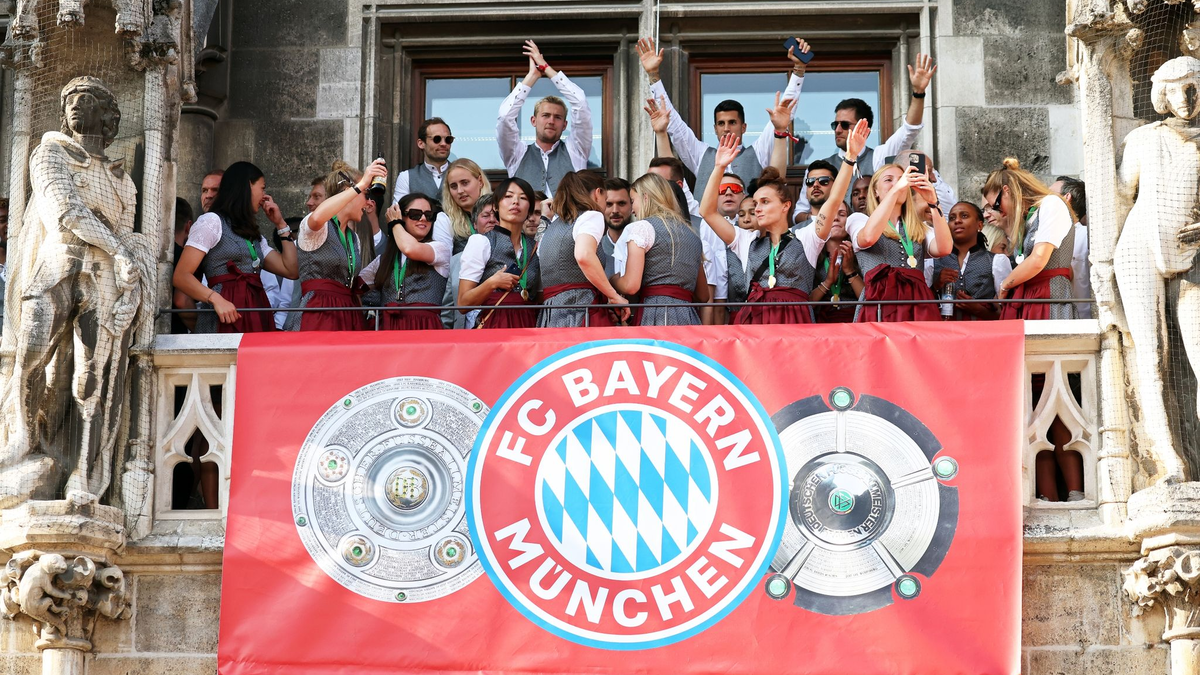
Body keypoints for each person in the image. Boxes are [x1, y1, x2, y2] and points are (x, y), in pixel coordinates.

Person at [701, 120, 867, 324]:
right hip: (755, 324)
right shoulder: (746, 241)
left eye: (765, 202)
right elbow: (707, 211)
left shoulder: (806, 237)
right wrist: (719, 167)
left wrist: (850, 158)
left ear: (785, 206)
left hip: (795, 324)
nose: (758, 208)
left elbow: (833, 201)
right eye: (755, 203)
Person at [637, 37, 807, 200]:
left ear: (744, 127)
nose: (726, 128)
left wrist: (798, 70)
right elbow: (672, 122)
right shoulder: (701, 154)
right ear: (715, 129)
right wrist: (653, 76)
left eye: (732, 122)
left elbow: (785, 112)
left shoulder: (758, 152)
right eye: (721, 123)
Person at [792, 53, 937, 217]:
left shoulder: (878, 157)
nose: (838, 129)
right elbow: (799, 214)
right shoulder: (819, 169)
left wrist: (918, 93)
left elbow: (909, 130)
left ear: (863, 126)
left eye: (845, 125)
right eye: (835, 124)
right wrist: (825, 220)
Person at [174, 162, 298, 333]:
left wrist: (280, 224)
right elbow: (181, 276)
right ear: (248, 186)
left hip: (255, 314)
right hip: (224, 316)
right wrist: (215, 299)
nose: (264, 195)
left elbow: (291, 269)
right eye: (262, 188)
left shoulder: (254, 235)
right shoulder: (212, 221)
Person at [287, 160, 388, 331]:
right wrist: (362, 183)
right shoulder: (318, 226)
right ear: (349, 192)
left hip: (348, 313)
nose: (367, 203)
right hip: (319, 312)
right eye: (365, 193)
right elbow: (318, 217)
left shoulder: (353, 237)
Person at [849, 162, 952, 322]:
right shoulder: (859, 219)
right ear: (875, 191)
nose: (896, 183)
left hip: (917, 303)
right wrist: (897, 189)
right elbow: (868, 237)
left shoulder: (920, 227)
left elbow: (944, 248)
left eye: (901, 179)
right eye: (888, 180)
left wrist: (933, 202)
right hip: (879, 303)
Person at [497, 40, 592, 197]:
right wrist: (531, 77)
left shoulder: (576, 150)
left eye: (557, 117)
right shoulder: (517, 153)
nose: (551, 121)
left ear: (564, 124)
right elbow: (505, 117)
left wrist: (547, 69)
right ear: (533, 121)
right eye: (545, 115)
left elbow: (580, 103)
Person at [985, 158, 1077, 320]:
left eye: (997, 206)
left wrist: (1006, 284)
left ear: (1007, 190)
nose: (999, 212)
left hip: (1049, 295)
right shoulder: (1029, 218)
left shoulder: (1051, 203)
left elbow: (1038, 259)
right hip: (1031, 296)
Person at [611, 173, 708, 326]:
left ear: (646, 198)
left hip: (655, 314)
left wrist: (613, 280)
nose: (632, 209)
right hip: (688, 318)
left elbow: (631, 285)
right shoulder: (692, 235)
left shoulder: (642, 228)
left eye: (633, 201)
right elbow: (703, 296)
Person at [536, 171, 630, 327]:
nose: (605, 209)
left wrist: (545, 218)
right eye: (606, 201)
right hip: (581, 310)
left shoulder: (552, 227)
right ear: (598, 193)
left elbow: (539, 253)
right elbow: (584, 255)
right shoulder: (591, 216)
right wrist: (614, 296)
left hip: (551, 314)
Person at [458, 177, 542, 329]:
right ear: (496, 206)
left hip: (528, 325)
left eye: (522, 198)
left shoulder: (536, 247)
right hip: (494, 325)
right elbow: (463, 304)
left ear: (529, 210)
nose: (515, 202)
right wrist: (492, 283)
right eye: (508, 196)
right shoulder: (481, 242)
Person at [359, 193, 450, 330]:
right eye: (415, 214)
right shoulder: (384, 259)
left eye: (429, 215)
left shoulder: (439, 249)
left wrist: (395, 224)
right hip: (389, 328)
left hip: (425, 327)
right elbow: (356, 288)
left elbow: (410, 249)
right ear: (402, 217)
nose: (423, 218)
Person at [931, 202, 1012, 321]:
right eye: (952, 218)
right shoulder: (934, 260)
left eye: (964, 216)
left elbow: (1008, 311)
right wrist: (936, 286)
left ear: (979, 225)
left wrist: (978, 309)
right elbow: (921, 303)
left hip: (982, 335)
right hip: (942, 334)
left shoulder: (996, 261)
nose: (957, 221)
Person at [809, 202, 865, 323]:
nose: (835, 218)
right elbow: (806, 303)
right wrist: (827, 282)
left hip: (854, 325)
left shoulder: (862, 254)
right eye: (831, 214)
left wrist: (850, 272)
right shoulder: (811, 255)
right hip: (819, 327)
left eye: (842, 214)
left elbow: (869, 300)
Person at [1050, 175, 1091, 319]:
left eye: (1050, 195)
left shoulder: (1088, 237)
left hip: (1084, 318)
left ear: (1067, 198)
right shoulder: (1047, 236)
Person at [393, 117, 454, 205]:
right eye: (437, 139)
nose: (443, 144)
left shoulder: (462, 174)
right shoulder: (406, 177)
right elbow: (398, 214)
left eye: (448, 139)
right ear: (421, 143)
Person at [439, 158, 492, 254]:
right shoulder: (446, 220)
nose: (460, 191)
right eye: (454, 186)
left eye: (465, 183)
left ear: (480, 181)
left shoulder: (500, 212)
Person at [170, 197, 196, 334]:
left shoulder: (144, 252)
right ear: (188, 227)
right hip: (174, 334)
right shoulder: (186, 259)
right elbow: (182, 301)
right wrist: (201, 330)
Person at [793, 159, 837, 229]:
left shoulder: (848, 227)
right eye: (810, 182)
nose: (815, 185)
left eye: (823, 180)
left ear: (836, 187)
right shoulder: (795, 234)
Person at [602, 178, 634, 273]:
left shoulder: (644, 246)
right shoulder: (594, 248)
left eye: (621, 203)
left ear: (632, 205)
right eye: (609, 204)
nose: (615, 210)